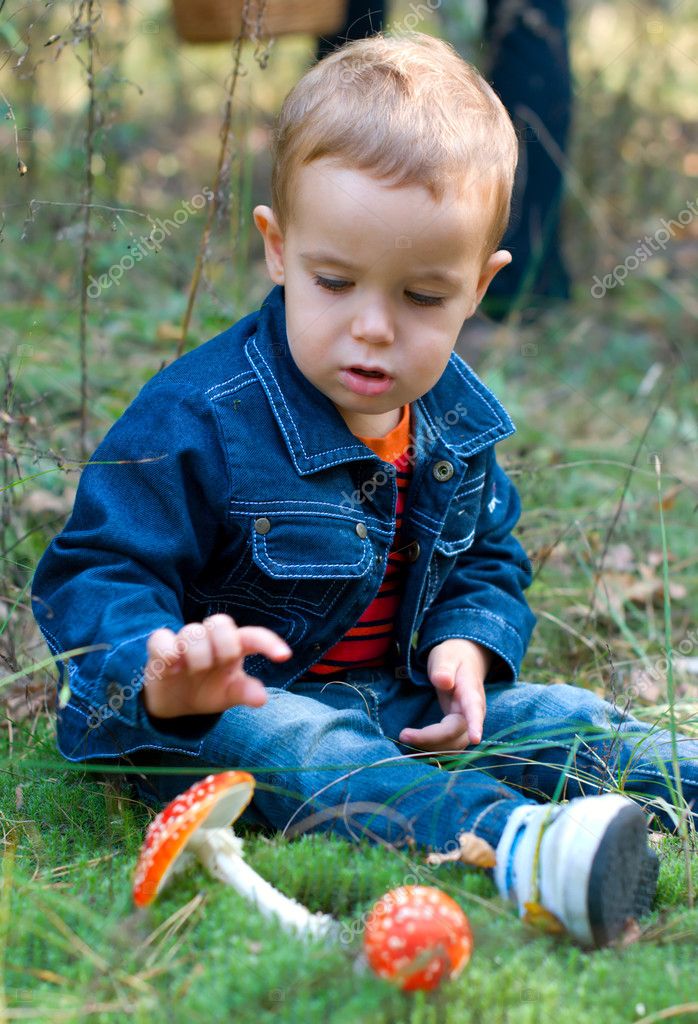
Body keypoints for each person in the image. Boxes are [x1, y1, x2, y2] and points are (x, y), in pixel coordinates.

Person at [32, 33, 696, 950]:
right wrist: (161, 670)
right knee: (312, 753)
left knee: (562, 717)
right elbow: (93, 570)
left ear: (477, 288)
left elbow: (488, 559)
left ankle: (680, 781)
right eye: (335, 283)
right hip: (230, 716)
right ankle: (521, 844)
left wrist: (468, 644)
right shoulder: (200, 415)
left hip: (402, 700)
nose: (373, 330)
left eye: (424, 297)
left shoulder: (453, 422)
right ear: (278, 249)